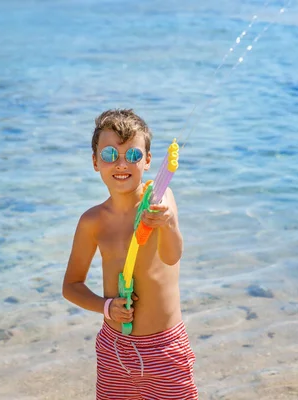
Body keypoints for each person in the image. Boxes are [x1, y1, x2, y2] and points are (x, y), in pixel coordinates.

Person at [62, 109, 198, 399]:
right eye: (110, 154)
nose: (121, 163)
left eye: (133, 156)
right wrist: (107, 306)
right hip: (116, 350)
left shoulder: (159, 199)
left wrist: (168, 223)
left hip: (165, 349)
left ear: (148, 161)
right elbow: (71, 286)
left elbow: (172, 256)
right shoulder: (92, 222)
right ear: (95, 162)